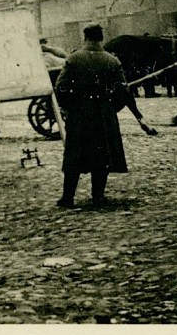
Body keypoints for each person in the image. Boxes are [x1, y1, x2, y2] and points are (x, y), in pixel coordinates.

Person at [53, 23, 130, 209]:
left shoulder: (74, 58)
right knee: (102, 156)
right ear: (101, 38)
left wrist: (68, 108)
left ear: (85, 37)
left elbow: (61, 86)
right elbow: (123, 91)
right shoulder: (112, 60)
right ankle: (97, 198)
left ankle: (68, 197)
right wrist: (111, 109)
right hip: (104, 115)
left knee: (74, 155)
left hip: (79, 114)